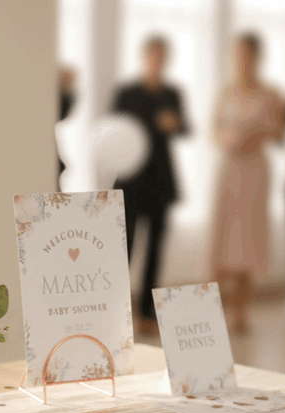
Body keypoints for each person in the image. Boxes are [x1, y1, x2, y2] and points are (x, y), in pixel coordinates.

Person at [111, 36, 190, 336]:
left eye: (162, 56)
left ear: (167, 59)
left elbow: (187, 128)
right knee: (125, 249)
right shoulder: (127, 93)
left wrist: (176, 123)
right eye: (152, 56)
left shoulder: (173, 92)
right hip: (131, 181)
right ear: (144, 57)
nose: (157, 61)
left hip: (161, 180)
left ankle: (147, 313)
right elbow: (114, 132)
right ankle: (117, 312)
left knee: (156, 250)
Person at [209, 33, 284, 333]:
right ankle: (217, 309)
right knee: (224, 236)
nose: (242, 61)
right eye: (238, 55)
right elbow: (212, 129)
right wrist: (227, 141)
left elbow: (279, 132)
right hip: (229, 168)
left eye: (248, 55)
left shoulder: (270, 94)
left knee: (248, 239)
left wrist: (255, 135)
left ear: (257, 57)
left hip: (254, 170)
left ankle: (241, 310)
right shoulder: (226, 91)